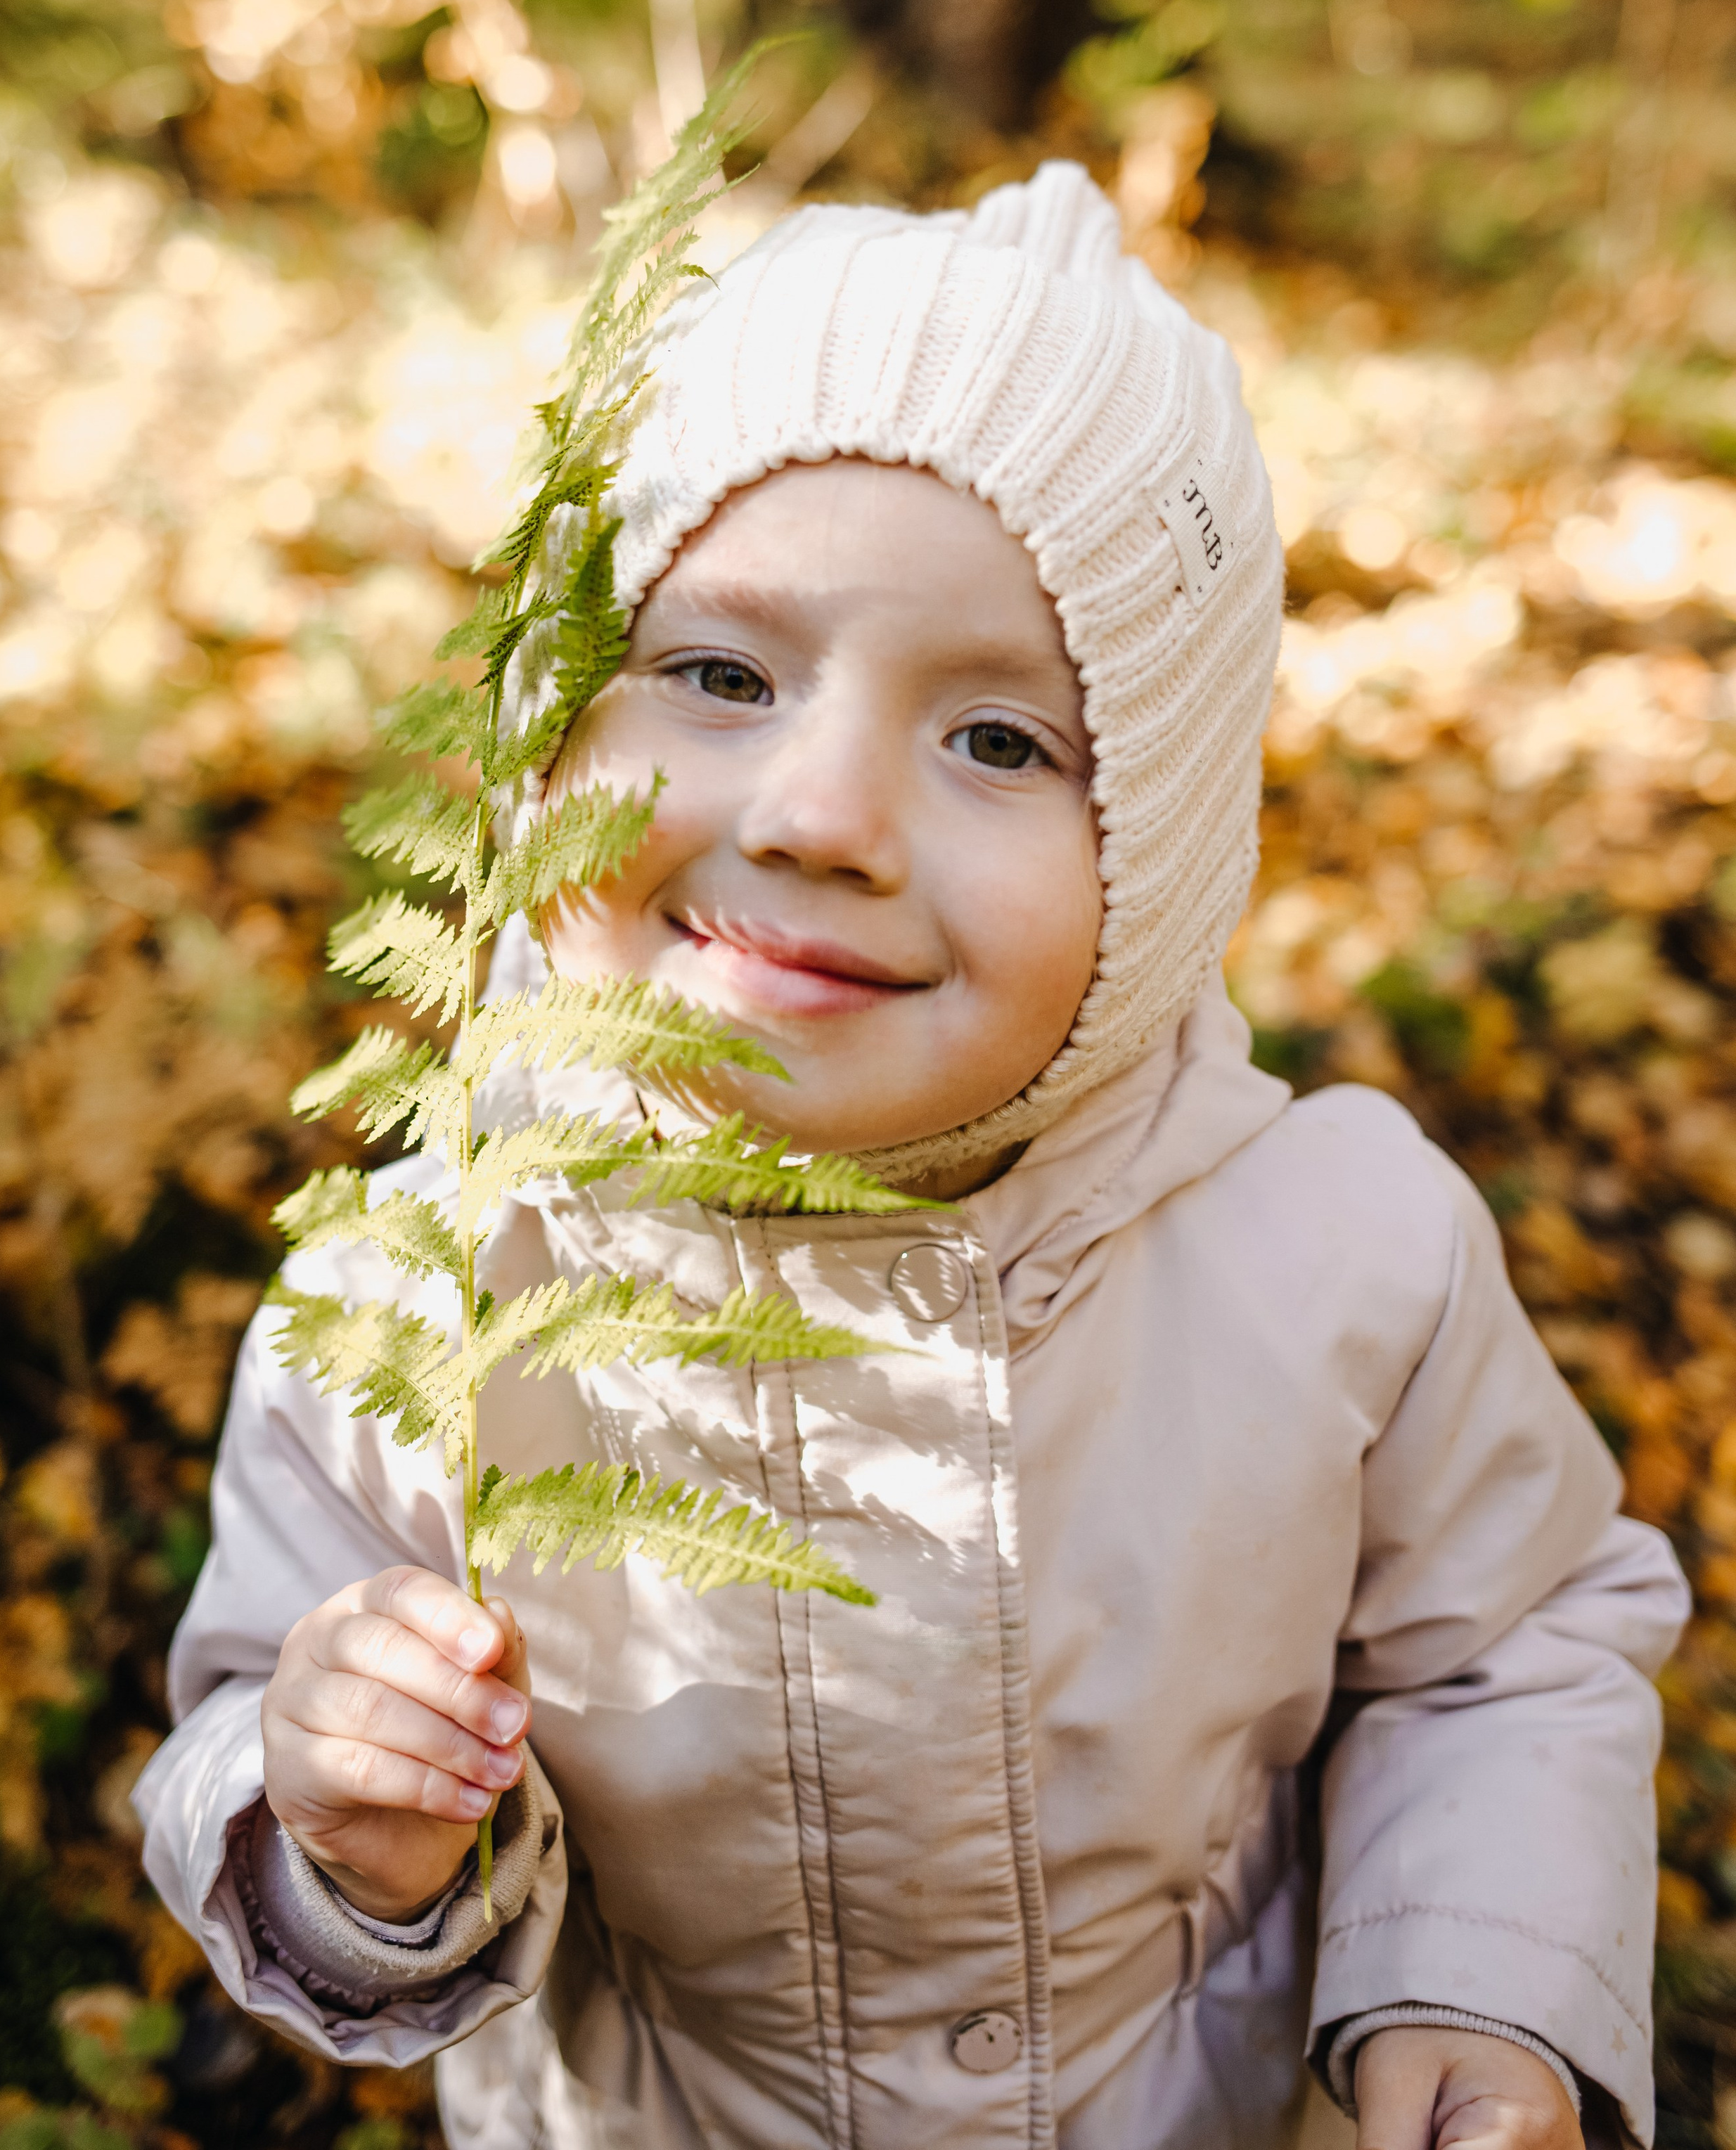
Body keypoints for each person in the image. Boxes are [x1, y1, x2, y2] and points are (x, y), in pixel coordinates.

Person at [136, 163, 1689, 2150]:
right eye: (718, 675)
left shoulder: (1345, 1250)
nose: (821, 813)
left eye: (1000, 743)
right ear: (544, 733)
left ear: (1167, 870)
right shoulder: (426, 1296)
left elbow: (1509, 1644)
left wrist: (1473, 1987)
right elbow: (256, 1725)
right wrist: (346, 1826)